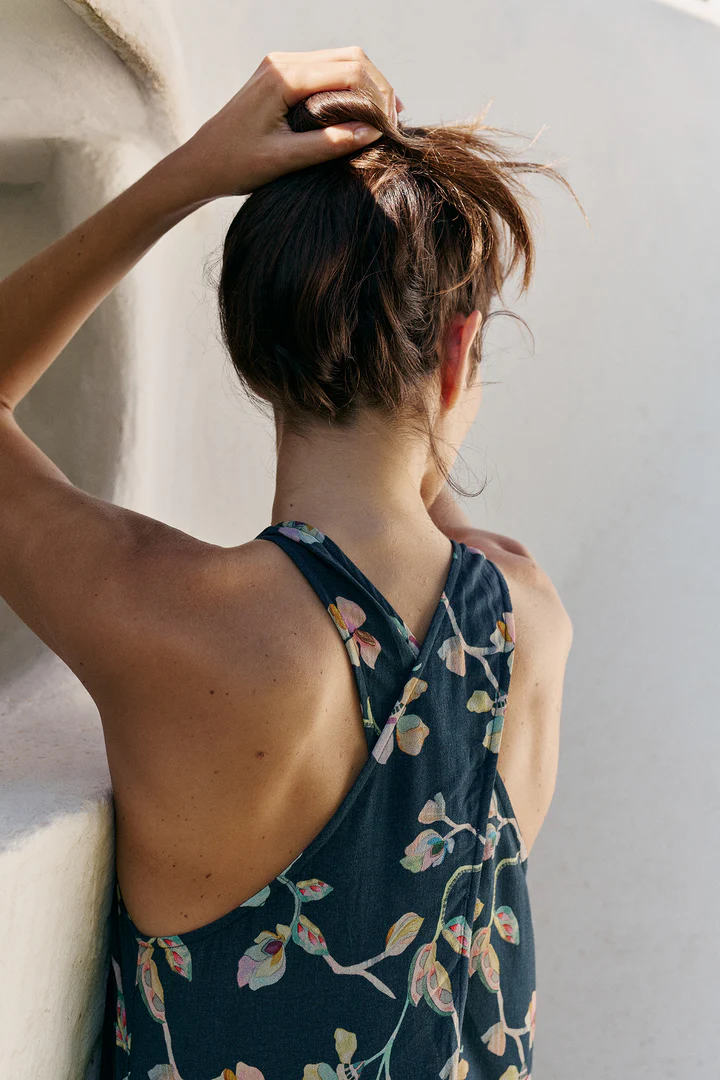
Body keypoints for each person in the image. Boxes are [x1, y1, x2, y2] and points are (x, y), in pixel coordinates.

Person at [0, 47, 573, 1080]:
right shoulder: (527, 624)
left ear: (256, 348)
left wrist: (188, 175)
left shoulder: (175, 620)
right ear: (456, 357)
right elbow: (420, 508)